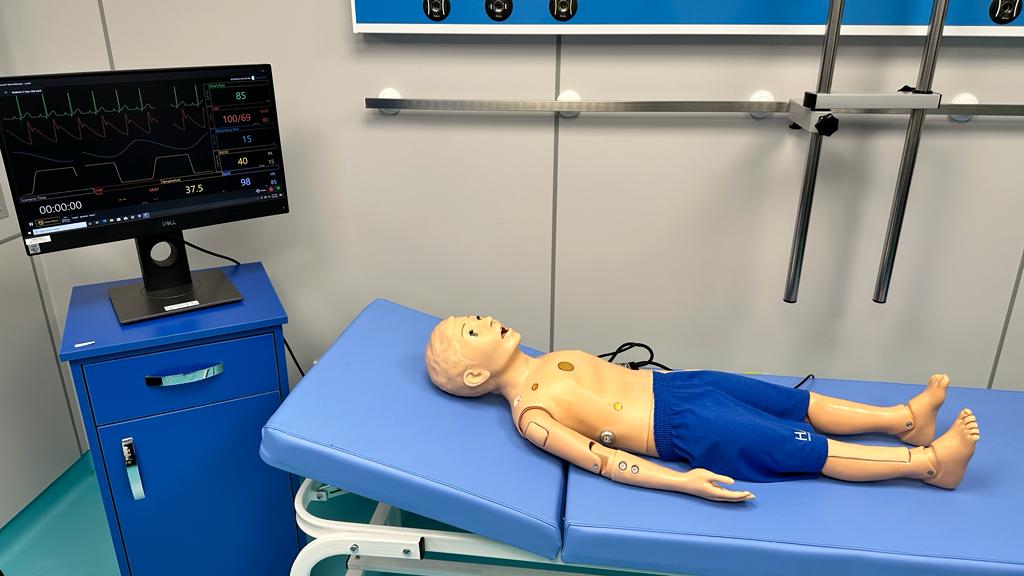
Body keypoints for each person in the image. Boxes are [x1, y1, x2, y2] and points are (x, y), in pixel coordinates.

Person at [424, 315, 980, 502]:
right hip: (681, 427)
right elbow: (604, 460)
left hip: (680, 388)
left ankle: (903, 420)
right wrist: (682, 481)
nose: (485, 319)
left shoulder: (544, 360)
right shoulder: (532, 415)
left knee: (795, 402)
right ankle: (930, 465)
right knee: (801, 445)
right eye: (473, 331)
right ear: (475, 375)